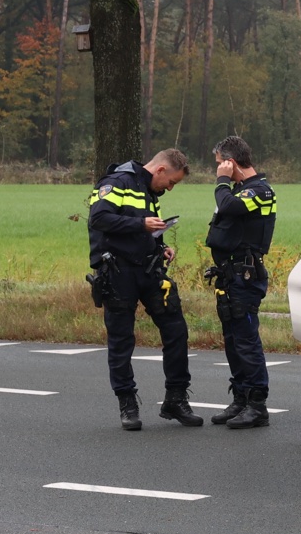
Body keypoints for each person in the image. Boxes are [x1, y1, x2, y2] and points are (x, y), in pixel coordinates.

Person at [86, 148, 202, 431]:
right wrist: (141, 224)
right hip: (118, 273)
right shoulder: (116, 182)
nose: (170, 188)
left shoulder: (149, 191)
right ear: (160, 170)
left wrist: (161, 245)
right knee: (121, 340)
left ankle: (176, 399)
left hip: (149, 271)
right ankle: (127, 404)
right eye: (171, 182)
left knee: (176, 330)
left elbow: (147, 230)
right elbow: (99, 219)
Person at [205, 136, 277, 430]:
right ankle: (241, 399)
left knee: (247, 341)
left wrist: (222, 181)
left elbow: (230, 207)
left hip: (245, 277)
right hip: (229, 276)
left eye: (220, 164)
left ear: (230, 162)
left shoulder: (261, 191)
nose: (218, 169)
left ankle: (257, 406)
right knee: (233, 341)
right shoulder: (240, 190)